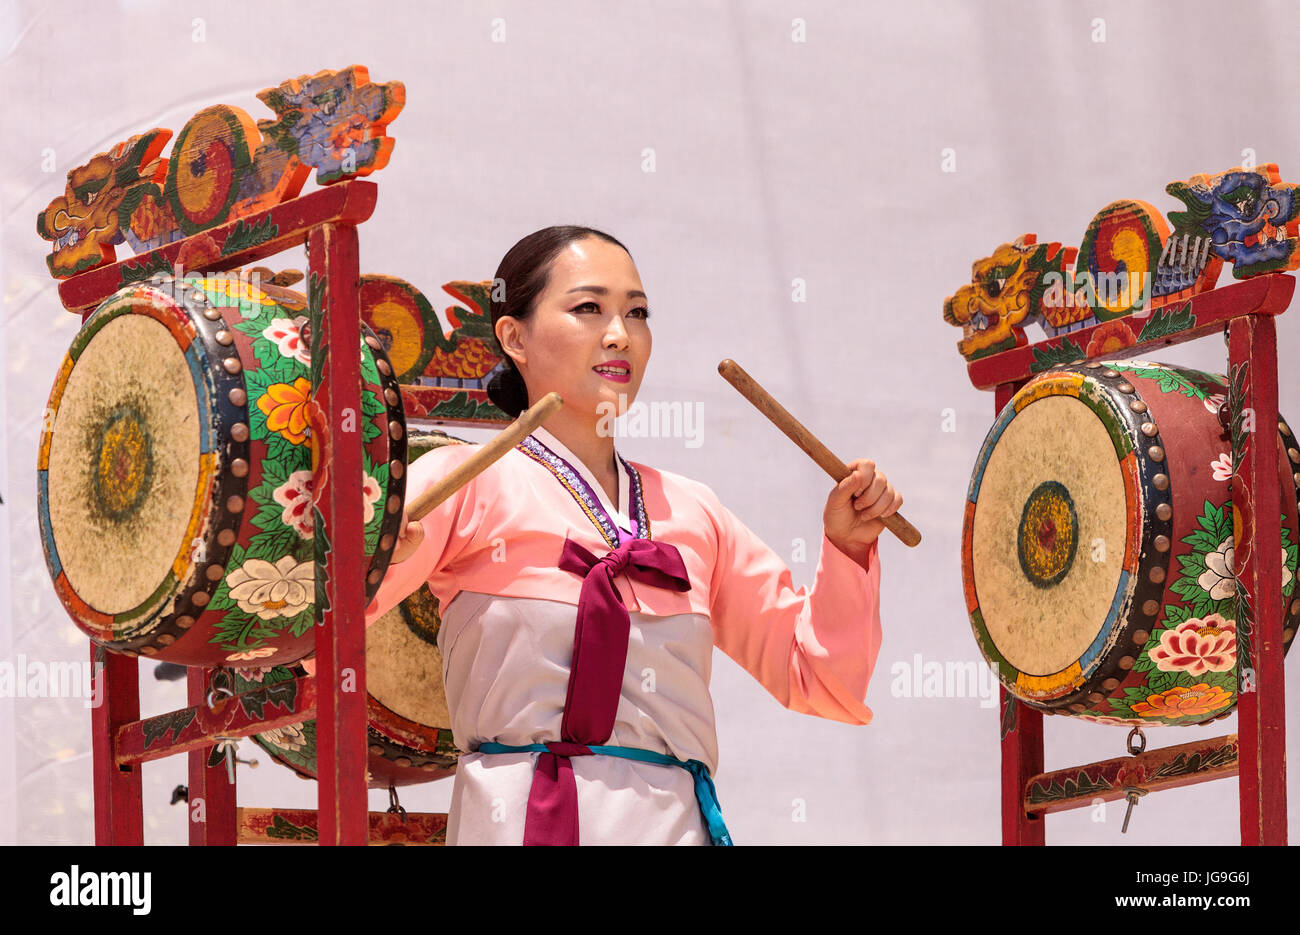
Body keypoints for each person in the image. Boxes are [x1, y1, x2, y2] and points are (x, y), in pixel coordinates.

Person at [363, 225, 902, 845]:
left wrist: (849, 547)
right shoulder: (465, 482)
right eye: (588, 308)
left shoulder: (695, 512)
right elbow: (329, 621)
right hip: (524, 818)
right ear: (514, 336)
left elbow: (818, 677)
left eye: (637, 313)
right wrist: (373, 556)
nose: (620, 333)